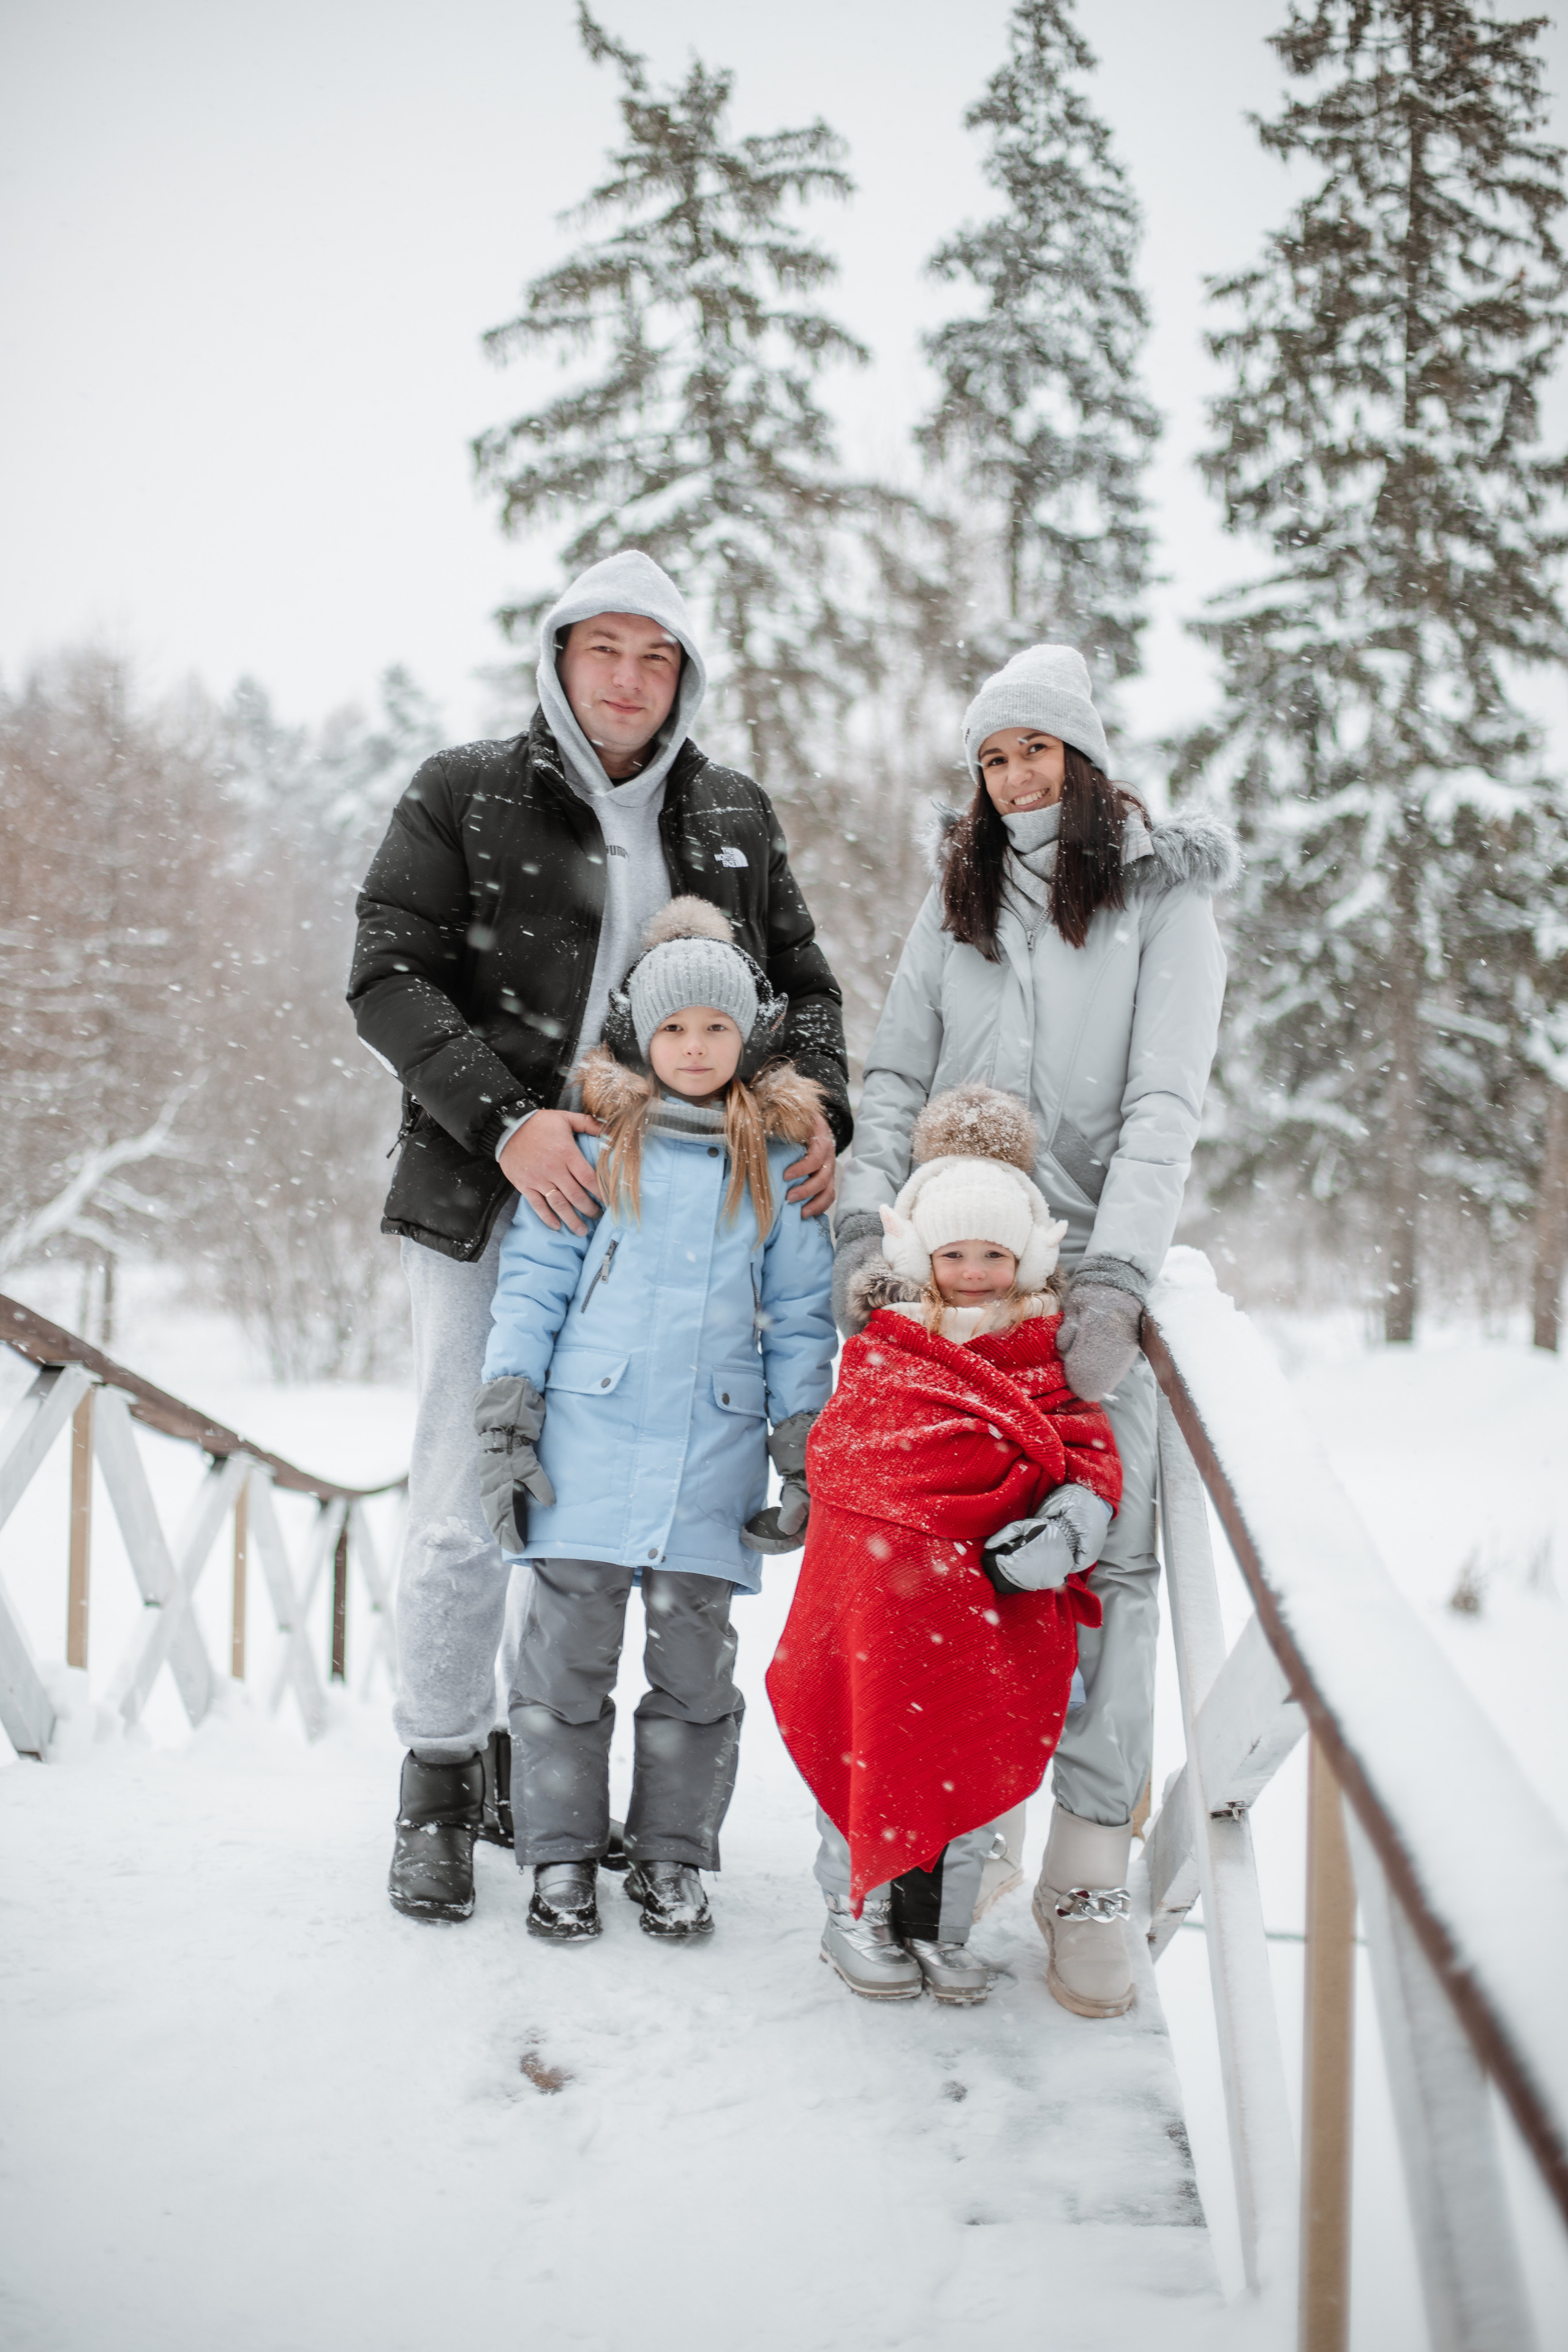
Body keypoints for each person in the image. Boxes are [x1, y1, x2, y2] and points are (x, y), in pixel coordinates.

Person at [348, 549, 850, 1923]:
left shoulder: (731, 814)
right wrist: (509, 1118)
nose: (628, 681)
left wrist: (819, 1116)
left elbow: (802, 989)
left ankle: (563, 1776)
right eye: (602, 651)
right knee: (469, 1483)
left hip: (679, 1199)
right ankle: (442, 1782)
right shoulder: (467, 792)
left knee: (611, 1502)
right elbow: (387, 972)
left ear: (682, 675)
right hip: (491, 1186)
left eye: (656, 657)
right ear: (558, 659)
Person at [832, 644, 1236, 2018]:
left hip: (1080, 1274)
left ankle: (1085, 1870)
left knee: (1108, 1568)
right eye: (992, 756)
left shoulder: (1159, 900)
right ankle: (957, 1833)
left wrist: (1112, 1277)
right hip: (942, 1279)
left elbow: (1159, 1107)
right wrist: (862, 1225)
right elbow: (890, 1075)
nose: (1013, 780)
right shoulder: (950, 897)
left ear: (1083, 756)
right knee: (936, 1558)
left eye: (1035, 752)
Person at [471, 902, 835, 1942]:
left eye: (714, 1029)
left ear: (747, 1038)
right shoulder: (593, 1145)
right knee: (564, 1661)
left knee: (692, 1667)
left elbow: (803, 1318)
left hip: (709, 1453)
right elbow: (534, 1286)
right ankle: (561, 1854)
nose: (692, 1048)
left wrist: (801, 1438)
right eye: (674, 1028)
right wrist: (509, 1413)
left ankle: (672, 1855)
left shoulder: (774, 1164)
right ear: (640, 1032)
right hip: (585, 1449)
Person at [767, 1085, 1121, 2007]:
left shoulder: (1044, 1350)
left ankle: (937, 1925)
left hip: (988, 1601)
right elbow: (848, 1458)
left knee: (970, 1750)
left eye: (994, 1253)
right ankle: (857, 1910)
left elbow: (1086, 1455)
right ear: (923, 1254)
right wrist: (911, 1525)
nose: (974, 1272)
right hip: (886, 1604)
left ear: (1026, 1256)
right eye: (955, 1252)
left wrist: (1066, 1528)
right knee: (869, 1740)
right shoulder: (891, 1347)